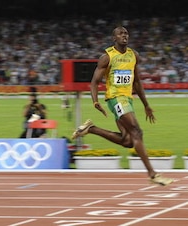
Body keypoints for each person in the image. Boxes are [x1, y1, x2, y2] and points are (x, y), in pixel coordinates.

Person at [71, 26, 173, 186]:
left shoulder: (134, 55)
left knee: (128, 141)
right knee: (137, 132)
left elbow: (137, 82)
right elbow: (94, 82)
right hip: (115, 99)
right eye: (121, 34)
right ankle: (152, 174)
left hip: (128, 99)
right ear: (114, 38)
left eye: (126, 33)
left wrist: (146, 105)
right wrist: (95, 101)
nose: (124, 36)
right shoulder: (107, 57)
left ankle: (91, 129)